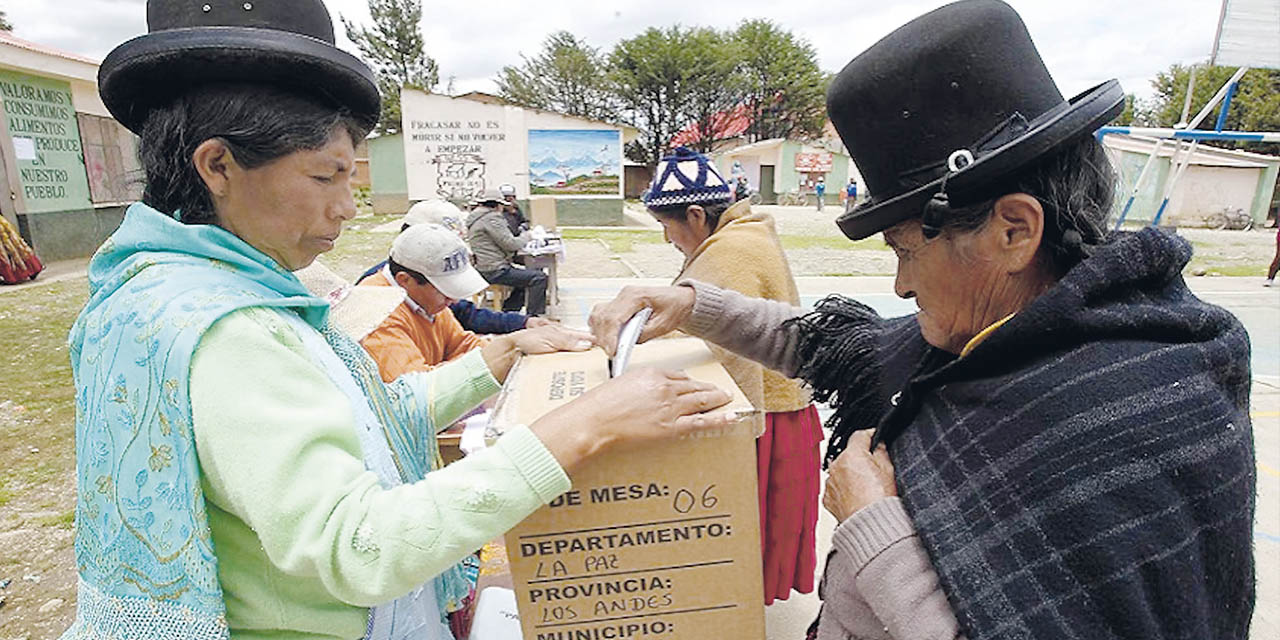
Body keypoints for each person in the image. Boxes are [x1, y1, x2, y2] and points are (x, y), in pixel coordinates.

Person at [66, 2, 737, 638]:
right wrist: (586, 424)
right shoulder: (226, 328)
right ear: (218, 165)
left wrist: (502, 354)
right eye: (326, 177)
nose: (346, 208)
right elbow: (360, 544)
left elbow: (369, 416)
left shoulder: (172, 293)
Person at [590, 1, 1255, 638]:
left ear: (1013, 231)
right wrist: (693, 304)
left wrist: (876, 527)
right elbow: (838, 347)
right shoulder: (1001, 339)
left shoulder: (1132, 414)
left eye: (907, 251)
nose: (901, 285)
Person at [643, 146, 822, 605]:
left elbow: (725, 351)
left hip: (764, 415)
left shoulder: (732, 253)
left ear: (697, 215)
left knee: (744, 529)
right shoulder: (743, 235)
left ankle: (729, 610)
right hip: (782, 401)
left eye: (667, 227)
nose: (668, 240)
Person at [358, 199, 550, 333]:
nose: (453, 299)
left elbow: (464, 317)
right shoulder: (378, 302)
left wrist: (523, 324)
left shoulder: (431, 298)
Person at [358, 224, 490, 382]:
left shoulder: (425, 300)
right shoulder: (376, 313)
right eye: (443, 290)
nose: (453, 300)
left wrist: (504, 349)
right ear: (405, 280)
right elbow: (417, 389)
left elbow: (461, 344)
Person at [468, 190, 548, 316]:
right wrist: (528, 236)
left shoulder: (477, 218)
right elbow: (511, 244)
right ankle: (533, 317)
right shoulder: (491, 219)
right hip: (494, 269)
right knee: (538, 278)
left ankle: (509, 313)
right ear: (498, 205)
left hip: (485, 266)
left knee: (527, 278)